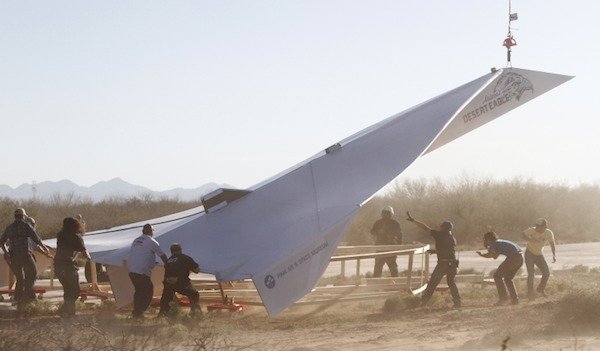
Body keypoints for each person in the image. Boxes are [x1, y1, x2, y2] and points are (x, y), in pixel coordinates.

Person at [406, 212, 461, 308]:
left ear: (443, 228)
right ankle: (457, 301)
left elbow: (425, 228)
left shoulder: (439, 235)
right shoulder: (453, 238)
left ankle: (424, 302)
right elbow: (447, 249)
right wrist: (436, 251)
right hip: (452, 264)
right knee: (451, 282)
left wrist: (413, 221)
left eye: (441, 227)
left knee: (432, 283)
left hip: (443, 264)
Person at [0, 208, 50, 307]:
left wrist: (6, 253)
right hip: (25, 255)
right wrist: (45, 249)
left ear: (15, 216)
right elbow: (36, 238)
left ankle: (17, 299)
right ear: (23, 216)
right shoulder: (26, 225)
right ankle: (28, 294)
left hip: (14, 256)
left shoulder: (9, 227)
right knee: (32, 273)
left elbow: (2, 242)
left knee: (20, 278)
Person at [127, 223, 168, 318]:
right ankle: (139, 312)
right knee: (148, 290)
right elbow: (162, 255)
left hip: (132, 270)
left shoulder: (136, 240)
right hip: (141, 271)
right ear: (150, 231)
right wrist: (169, 265)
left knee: (139, 291)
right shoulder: (151, 241)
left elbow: (141, 254)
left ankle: (136, 311)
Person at [54, 217, 91, 317]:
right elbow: (84, 251)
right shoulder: (76, 237)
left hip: (58, 265)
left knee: (67, 289)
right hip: (68, 265)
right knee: (75, 291)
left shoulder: (60, 235)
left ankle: (69, 313)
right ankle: (65, 310)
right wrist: (89, 258)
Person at [477, 231, 523, 305]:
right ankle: (515, 300)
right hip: (520, 258)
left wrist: (481, 254)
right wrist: (489, 249)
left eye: (485, 239)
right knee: (508, 279)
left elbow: (491, 255)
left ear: (489, 239)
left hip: (513, 258)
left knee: (497, 276)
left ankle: (503, 299)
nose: (485, 241)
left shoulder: (493, 244)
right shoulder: (499, 242)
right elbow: (495, 256)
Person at [158, 243, 201, 316]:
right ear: (180, 250)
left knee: (166, 298)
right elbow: (196, 270)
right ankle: (195, 313)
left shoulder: (168, 260)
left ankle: (162, 314)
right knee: (194, 294)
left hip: (168, 283)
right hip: (181, 282)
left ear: (171, 251)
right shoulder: (185, 258)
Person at [521, 218, 556, 299]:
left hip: (539, 255)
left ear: (544, 227)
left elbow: (552, 243)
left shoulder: (549, 233)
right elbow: (522, 234)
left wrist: (554, 255)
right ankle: (530, 293)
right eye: (536, 226)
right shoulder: (532, 230)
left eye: (539, 226)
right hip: (529, 253)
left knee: (546, 273)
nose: (537, 228)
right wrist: (529, 239)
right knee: (531, 274)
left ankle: (540, 289)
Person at [370, 206, 403, 277]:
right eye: (384, 213)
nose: (385, 215)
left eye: (387, 213)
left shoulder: (394, 223)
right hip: (380, 247)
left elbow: (399, 235)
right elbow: (372, 231)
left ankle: (395, 283)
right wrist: (379, 232)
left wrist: (399, 246)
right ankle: (375, 284)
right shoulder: (378, 222)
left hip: (390, 248)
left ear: (390, 214)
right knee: (378, 267)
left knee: (392, 267)